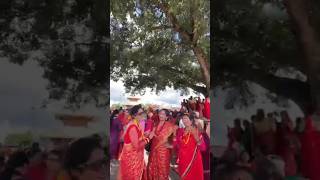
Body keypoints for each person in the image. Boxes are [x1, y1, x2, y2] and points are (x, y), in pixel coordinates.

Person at [118, 105, 148, 180]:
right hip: (131, 159)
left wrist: (143, 136)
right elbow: (136, 146)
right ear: (134, 115)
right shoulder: (133, 127)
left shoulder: (137, 124)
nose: (142, 115)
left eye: (143, 113)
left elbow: (137, 138)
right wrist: (148, 139)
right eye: (140, 113)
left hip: (135, 157)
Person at [147, 109, 177, 180]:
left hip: (164, 152)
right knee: (152, 167)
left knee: (162, 169)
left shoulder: (170, 126)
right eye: (160, 114)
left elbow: (175, 139)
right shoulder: (155, 124)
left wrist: (171, 145)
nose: (161, 115)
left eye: (163, 114)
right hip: (154, 150)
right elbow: (151, 136)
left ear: (167, 117)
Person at [177, 114, 204, 180]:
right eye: (183, 118)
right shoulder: (181, 131)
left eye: (186, 118)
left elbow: (203, 147)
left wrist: (195, 135)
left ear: (191, 121)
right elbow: (178, 145)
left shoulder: (196, 130)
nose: (184, 120)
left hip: (193, 159)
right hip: (183, 158)